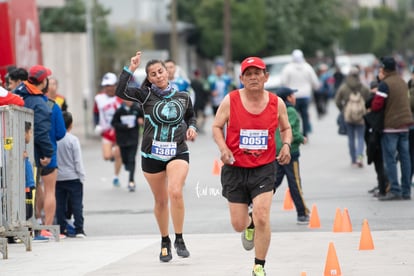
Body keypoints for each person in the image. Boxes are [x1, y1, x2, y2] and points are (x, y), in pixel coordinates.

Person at [212, 56, 292, 276]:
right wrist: (223, 148)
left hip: (264, 168)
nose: (253, 77)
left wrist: (286, 144)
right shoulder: (231, 100)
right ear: (241, 78)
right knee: (238, 223)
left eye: (258, 73)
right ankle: (248, 227)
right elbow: (217, 126)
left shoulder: (277, 103)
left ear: (266, 77)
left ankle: (259, 265)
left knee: (263, 216)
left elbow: (286, 129)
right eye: (248, 74)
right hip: (235, 168)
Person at [116, 51, 198, 262]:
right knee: (161, 201)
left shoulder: (183, 96)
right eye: (153, 74)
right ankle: (165, 240)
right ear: (149, 78)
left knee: (175, 192)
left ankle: (179, 238)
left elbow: (190, 115)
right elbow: (120, 90)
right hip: (151, 154)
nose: (158, 76)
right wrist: (131, 68)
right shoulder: (145, 95)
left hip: (177, 150)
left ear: (168, 72)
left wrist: (192, 128)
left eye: (160, 71)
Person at [371, 56, 414, 200]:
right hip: (406, 125)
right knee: (405, 158)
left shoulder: (385, 84)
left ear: (383, 69)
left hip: (391, 126)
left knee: (390, 159)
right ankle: (406, 190)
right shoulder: (402, 82)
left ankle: (395, 189)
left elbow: (377, 105)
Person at [35, 72, 66, 238]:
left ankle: (35, 225)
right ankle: (47, 227)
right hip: (49, 154)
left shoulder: (25, 102)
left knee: (34, 189)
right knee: (49, 191)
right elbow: (61, 132)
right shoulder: (52, 106)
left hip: (30, 154)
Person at [274, 86, 310, 224]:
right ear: (288, 98)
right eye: (292, 95)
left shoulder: (276, 110)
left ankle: (253, 202)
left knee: (273, 183)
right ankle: (302, 213)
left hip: (277, 151)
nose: (294, 98)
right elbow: (291, 132)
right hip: (290, 152)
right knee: (295, 183)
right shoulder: (290, 111)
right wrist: (302, 138)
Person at [55, 111, 86, 238]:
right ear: (71, 125)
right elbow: (77, 160)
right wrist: (81, 175)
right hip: (73, 177)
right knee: (77, 204)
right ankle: (79, 229)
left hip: (58, 177)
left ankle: (62, 229)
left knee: (60, 205)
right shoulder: (73, 140)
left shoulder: (55, 139)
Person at [335, 67, 371, 167]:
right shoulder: (363, 87)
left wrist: (343, 109)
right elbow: (369, 99)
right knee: (360, 137)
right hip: (361, 116)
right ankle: (360, 157)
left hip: (348, 115)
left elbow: (337, 101)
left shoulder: (344, 87)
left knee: (351, 138)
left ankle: (353, 160)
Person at [280, 49, 320, 138]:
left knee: (293, 115)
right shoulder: (307, 67)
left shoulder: (288, 68)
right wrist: (316, 88)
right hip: (305, 95)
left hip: (292, 96)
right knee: (305, 115)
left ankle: (294, 133)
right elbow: (314, 81)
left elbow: (283, 82)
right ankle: (305, 134)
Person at [94, 72, 123, 187]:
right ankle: (113, 156)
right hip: (106, 131)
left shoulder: (121, 98)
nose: (108, 88)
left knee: (118, 153)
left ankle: (116, 176)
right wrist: (96, 125)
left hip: (120, 130)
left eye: (110, 85)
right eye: (106, 86)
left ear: (115, 85)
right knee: (107, 156)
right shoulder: (99, 98)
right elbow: (95, 113)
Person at [111, 100, 144, 192]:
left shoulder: (137, 109)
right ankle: (126, 164)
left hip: (133, 138)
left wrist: (141, 121)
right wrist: (124, 126)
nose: (129, 101)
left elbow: (144, 120)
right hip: (122, 139)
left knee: (132, 159)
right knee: (125, 159)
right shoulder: (119, 110)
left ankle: (131, 181)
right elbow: (114, 123)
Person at [364, 80, 389, 197]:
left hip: (377, 137)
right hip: (381, 134)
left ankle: (383, 187)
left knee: (380, 163)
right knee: (382, 162)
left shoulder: (372, 115)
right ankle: (383, 185)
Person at [191, 69, 209, 133]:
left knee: (195, 115)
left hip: (194, 102)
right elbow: (206, 92)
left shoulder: (191, 82)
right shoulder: (203, 82)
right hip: (202, 102)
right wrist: (207, 100)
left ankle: (196, 127)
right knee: (203, 115)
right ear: (199, 75)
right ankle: (200, 127)